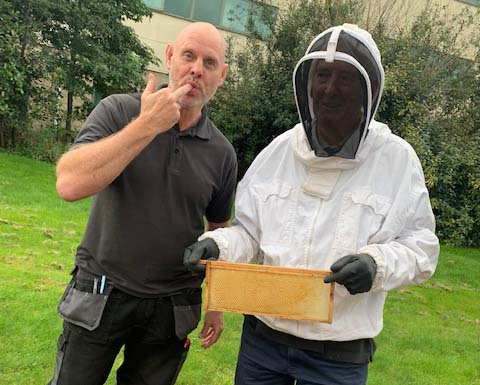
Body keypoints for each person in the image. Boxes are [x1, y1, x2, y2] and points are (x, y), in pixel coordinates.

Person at [183, 24, 439, 385]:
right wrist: (218, 245)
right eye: (323, 75)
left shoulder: (396, 161)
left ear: (369, 90)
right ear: (308, 84)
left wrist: (376, 265)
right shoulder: (278, 152)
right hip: (263, 342)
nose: (331, 89)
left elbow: (422, 249)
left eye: (346, 78)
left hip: (339, 355)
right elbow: (251, 235)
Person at [48, 22, 237, 385]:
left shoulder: (222, 153)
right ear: (169, 57)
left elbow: (218, 231)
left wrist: (216, 304)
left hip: (171, 306)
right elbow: (69, 183)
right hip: (101, 292)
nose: (197, 69)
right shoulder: (119, 111)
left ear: (222, 75)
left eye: (210, 62)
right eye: (188, 56)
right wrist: (146, 125)